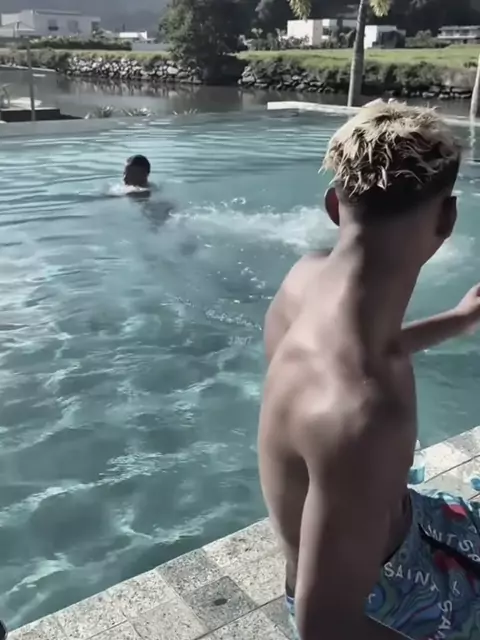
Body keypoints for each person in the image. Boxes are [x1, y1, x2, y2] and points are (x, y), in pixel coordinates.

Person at [259, 101, 480, 640]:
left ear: (334, 205)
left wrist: (460, 319)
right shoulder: (365, 419)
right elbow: (323, 627)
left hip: (397, 527)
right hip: (384, 599)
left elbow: (367, 351)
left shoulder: (305, 280)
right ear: (446, 219)